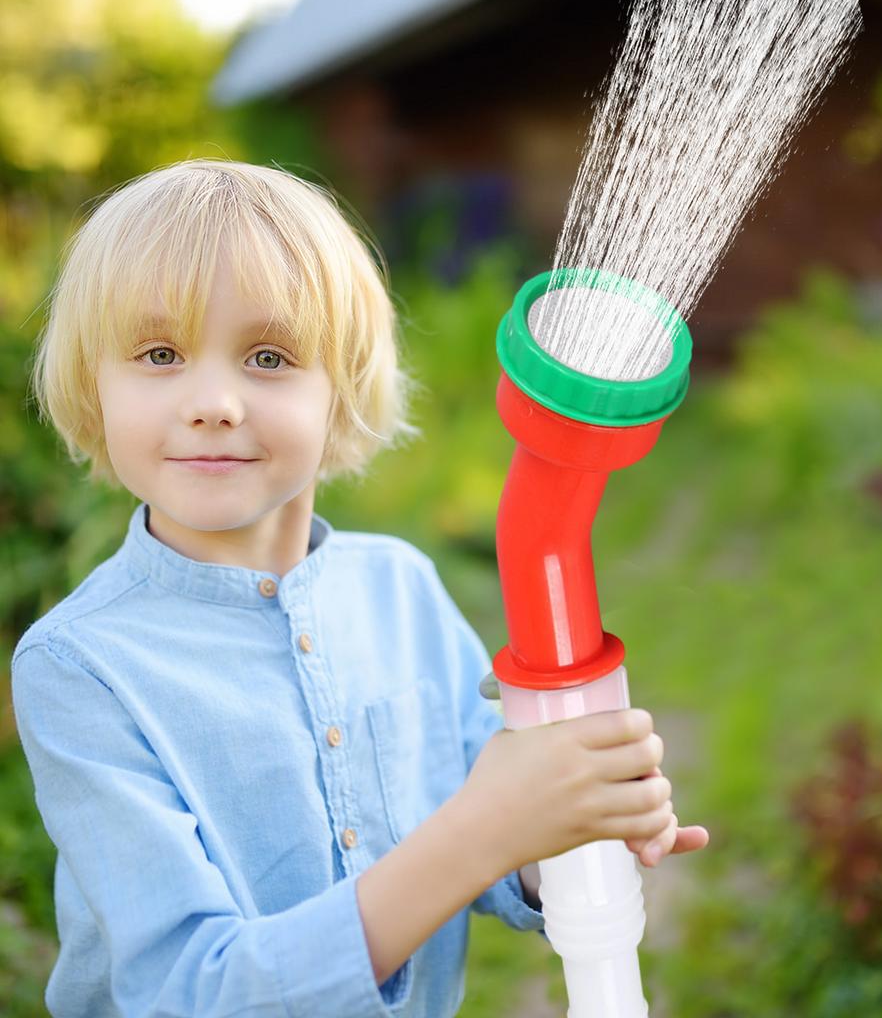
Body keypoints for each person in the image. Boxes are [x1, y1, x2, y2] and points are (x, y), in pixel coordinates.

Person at [10, 158, 709, 1017]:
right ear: (92, 383)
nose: (214, 402)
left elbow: (487, 833)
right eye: (160, 354)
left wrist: (560, 833)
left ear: (338, 393)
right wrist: (487, 826)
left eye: (268, 356)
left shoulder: (400, 590)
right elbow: (185, 990)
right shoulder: (80, 666)